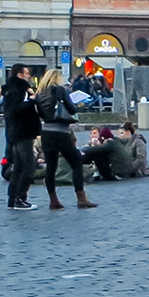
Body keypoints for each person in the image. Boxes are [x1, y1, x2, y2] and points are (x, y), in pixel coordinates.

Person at [36, 69, 97, 210]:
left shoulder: (40, 93)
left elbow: (40, 113)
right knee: (76, 161)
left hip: (46, 132)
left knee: (51, 166)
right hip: (61, 132)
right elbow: (71, 109)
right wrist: (78, 105)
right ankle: (81, 198)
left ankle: (53, 200)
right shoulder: (59, 90)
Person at [3, 63, 42, 210]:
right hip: (21, 132)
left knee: (19, 166)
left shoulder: (15, 89)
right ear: (20, 75)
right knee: (28, 166)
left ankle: (13, 199)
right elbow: (14, 110)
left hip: (17, 132)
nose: (29, 76)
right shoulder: (17, 90)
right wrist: (31, 101)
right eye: (27, 73)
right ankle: (20, 198)